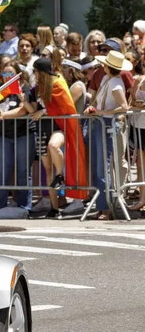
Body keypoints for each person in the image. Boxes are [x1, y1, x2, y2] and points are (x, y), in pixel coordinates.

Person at [26, 58, 88, 218]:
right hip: (42, 129)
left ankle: (60, 175)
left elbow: (64, 107)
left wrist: (44, 112)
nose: (34, 74)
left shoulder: (59, 84)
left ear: (41, 72)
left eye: (36, 71)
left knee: (54, 146)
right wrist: (24, 101)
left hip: (59, 127)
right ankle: (54, 208)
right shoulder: (37, 88)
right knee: (47, 171)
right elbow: (34, 110)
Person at [84, 51, 130, 219]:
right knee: (99, 167)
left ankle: (107, 208)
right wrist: (93, 108)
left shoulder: (115, 83)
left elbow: (123, 106)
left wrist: (102, 111)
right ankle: (102, 206)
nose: (102, 66)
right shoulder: (106, 80)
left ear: (108, 66)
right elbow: (97, 100)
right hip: (100, 123)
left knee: (103, 167)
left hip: (107, 124)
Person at [0, 61, 35, 215]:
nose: (8, 76)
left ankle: (24, 208)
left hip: (23, 134)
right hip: (3, 135)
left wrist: (2, 115)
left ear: (17, 75)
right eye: (5, 73)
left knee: (23, 171)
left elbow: (23, 110)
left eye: (11, 74)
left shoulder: (23, 87)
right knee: (1, 171)